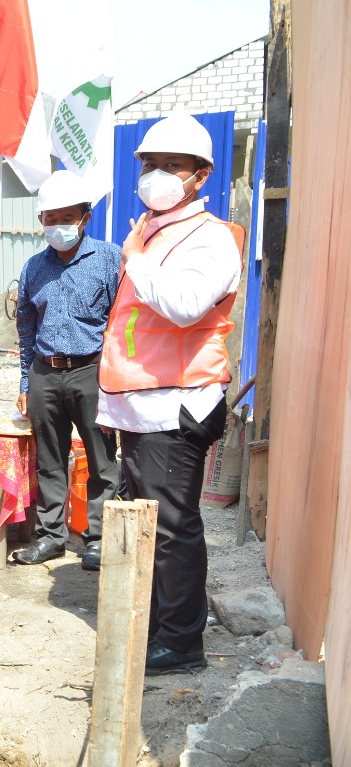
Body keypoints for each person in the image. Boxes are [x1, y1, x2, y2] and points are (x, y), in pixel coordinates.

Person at [97, 115, 243, 675]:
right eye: (150, 164)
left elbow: (184, 306)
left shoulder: (210, 237)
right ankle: (161, 626)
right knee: (154, 526)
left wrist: (135, 258)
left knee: (174, 528)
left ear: (200, 176)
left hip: (177, 405)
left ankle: (182, 644)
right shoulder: (155, 231)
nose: (156, 174)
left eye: (172, 166)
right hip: (145, 405)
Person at [12, 171, 121, 571]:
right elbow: (26, 330)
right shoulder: (33, 268)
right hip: (45, 372)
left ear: (85, 217)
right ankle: (51, 537)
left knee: (101, 460)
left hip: (91, 373)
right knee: (50, 460)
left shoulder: (109, 259)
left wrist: (115, 381)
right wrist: (26, 382)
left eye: (67, 218)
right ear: (41, 220)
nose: (58, 226)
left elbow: (122, 322)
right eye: (51, 218)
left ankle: (98, 539)